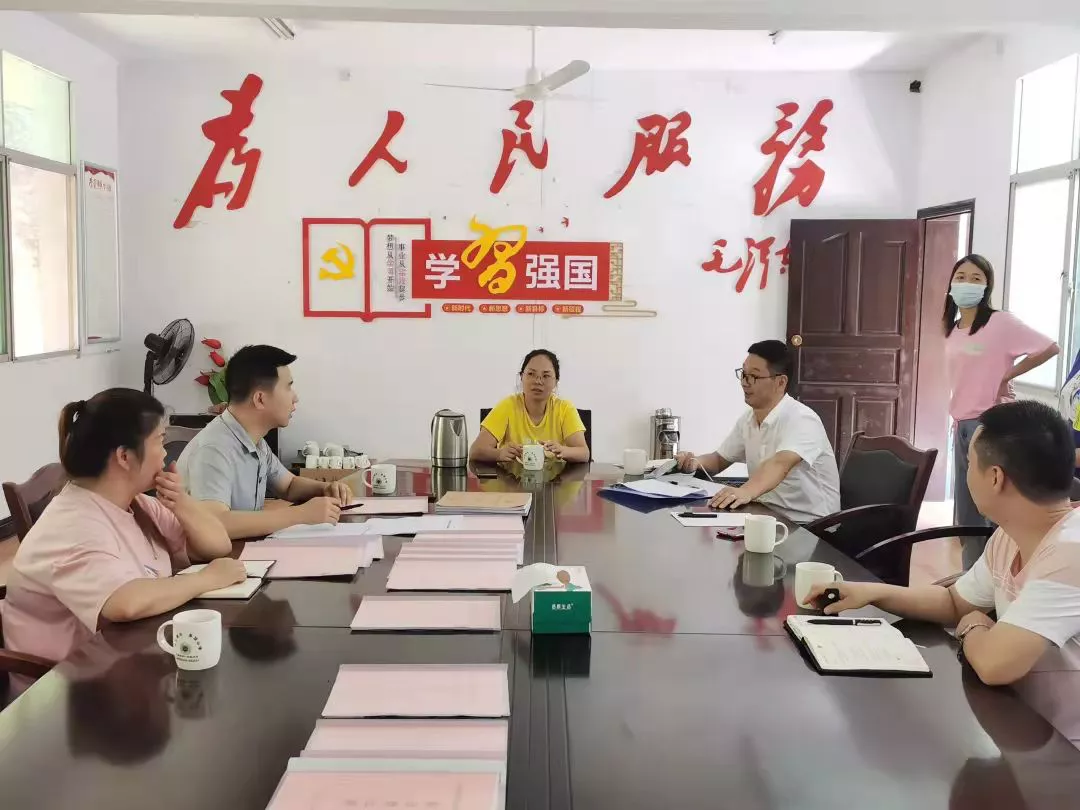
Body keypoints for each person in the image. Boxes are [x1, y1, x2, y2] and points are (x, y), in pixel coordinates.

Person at [807, 401, 1080, 697]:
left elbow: (994, 664)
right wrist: (872, 593)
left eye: (969, 463)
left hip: (1054, 723)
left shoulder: (1070, 552)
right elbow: (954, 603)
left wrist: (972, 627)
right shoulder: (1011, 535)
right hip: (1022, 707)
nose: (967, 473)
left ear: (995, 478)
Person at [1, 389, 245, 663]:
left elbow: (217, 545)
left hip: (124, 656)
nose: (165, 453)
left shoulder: (137, 503)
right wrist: (206, 579)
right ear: (125, 457)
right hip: (65, 681)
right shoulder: (72, 525)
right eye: (160, 440)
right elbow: (124, 603)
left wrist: (182, 502)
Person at [942, 254, 1057, 568]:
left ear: (987, 286)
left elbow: (1049, 347)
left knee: (993, 512)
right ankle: (971, 581)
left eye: (976, 278)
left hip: (991, 425)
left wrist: (1007, 375)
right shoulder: (953, 329)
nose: (967, 283)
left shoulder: (1000, 323)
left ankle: (1000, 579)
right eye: (961, 277)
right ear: (951, 283)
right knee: (967, 514)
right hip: (961, 424)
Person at [177, 345, 350, 539]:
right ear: (260, 399)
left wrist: (325, 489)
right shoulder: (214, 449)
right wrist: (301, 514)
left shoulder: (254, 440)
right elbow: (215, 524)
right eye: (288, 386)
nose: (295, 398)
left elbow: (289, 485)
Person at [676, 340, 840, 523]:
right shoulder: (749, 419)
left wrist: (745, 491)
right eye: (743, 374)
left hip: (810, 525)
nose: (744, 383)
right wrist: (693, 462)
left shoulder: (802, 419)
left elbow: (780, 464)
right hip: (766, 516)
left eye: (753, 376)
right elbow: (719, 459)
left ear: (780, 382)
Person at [469, 349, 590, 464]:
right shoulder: (507, 405)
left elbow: (584, 453)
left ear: (556, 382)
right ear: (521, 377)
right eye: (531, 374)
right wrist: (499, 454)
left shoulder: (565, 408)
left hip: (556, 478)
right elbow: (476, 451)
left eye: (546, 376)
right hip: (512, 478)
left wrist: (563, 450)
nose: (538, 381)